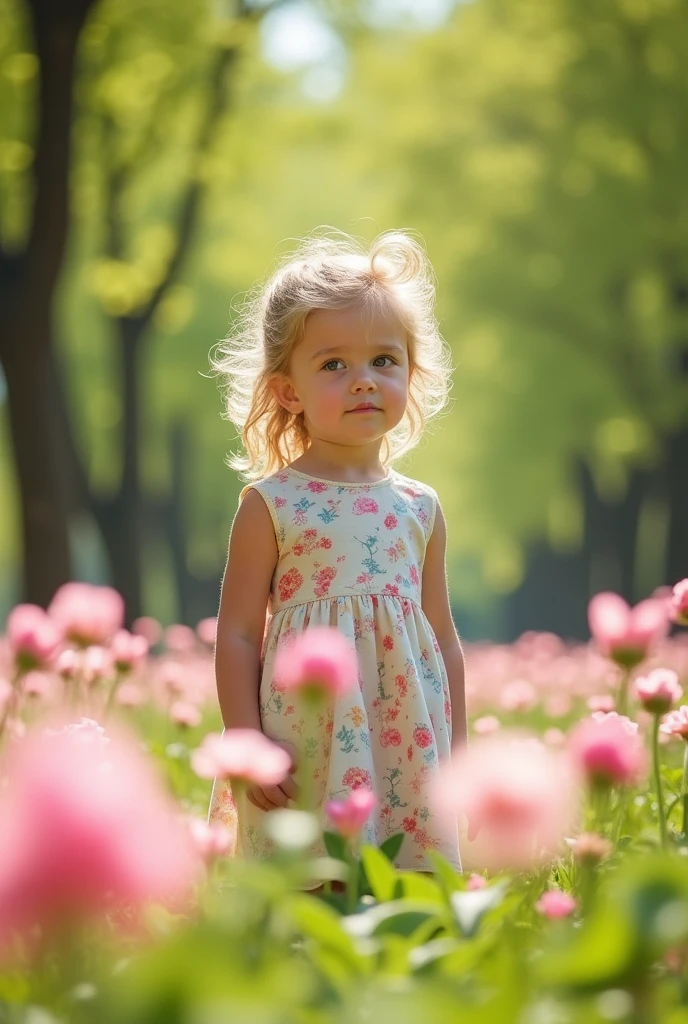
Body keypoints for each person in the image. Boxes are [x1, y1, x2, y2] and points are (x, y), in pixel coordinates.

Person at [207, 229, 466, 872]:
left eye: (384, 360)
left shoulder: (420, 506)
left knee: (409, 874)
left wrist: (458, 751)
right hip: (309, 732)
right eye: (333, 365)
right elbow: (238, 634)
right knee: (311, 871)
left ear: (411, 373)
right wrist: (245, 740)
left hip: (404, 730)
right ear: (288, 390)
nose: (363, 382)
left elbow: (441, 634)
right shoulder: (272, 504)